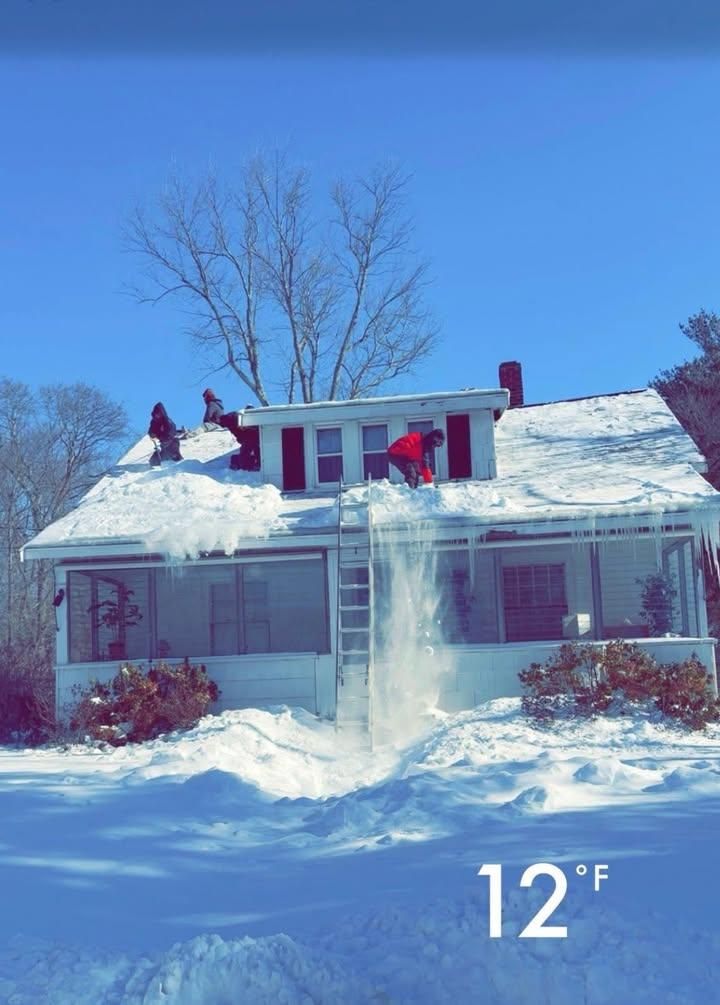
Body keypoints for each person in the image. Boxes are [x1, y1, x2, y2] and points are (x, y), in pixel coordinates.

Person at [201, 388, 261, 471]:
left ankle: (247, 466)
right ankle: (251, 465)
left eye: (205, 397)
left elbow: (206, 419)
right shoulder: (221, 407)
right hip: (249, 436)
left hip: (247, 436)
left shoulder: (213, 405)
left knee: (247, 453)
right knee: (251, 450)